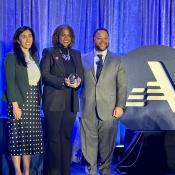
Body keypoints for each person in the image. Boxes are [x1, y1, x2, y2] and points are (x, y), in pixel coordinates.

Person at [80, 28, 127, 175]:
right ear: (93, 39)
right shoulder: (83, 58)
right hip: (87, 108)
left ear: (109, 40)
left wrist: (120, 106)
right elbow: (78, 81)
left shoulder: (117, 60)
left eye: (106, 38)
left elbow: (122, 85)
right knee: (88, 144)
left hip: (109, 109)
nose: (103, 41)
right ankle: (91, 171)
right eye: (99, 38)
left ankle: (105, 170)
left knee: (107, 145)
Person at [40, 24, 84, 175]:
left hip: (71, 103)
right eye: (63, 35)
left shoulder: (76, 54)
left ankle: (65, 171)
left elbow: (80, 75)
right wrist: (62, 81)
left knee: (66, 137)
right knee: (53, 138)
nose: (66, 38)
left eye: (69, 35)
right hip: (53, 103)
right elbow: (44, 75)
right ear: (57, 37)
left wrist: (79, 82)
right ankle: (53, 172)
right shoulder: (49, 52)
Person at [3, 26, 44, 175]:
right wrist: (15, 105)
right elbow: (10, 82)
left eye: (30, 36)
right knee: (17, 140)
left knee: (29, 141)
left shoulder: (35, 58)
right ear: (18, 39)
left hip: (33, 103)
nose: (28, 39)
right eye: (24, 36)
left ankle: (27, 172)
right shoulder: (12, 57)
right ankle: (18, 172)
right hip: (19, 102)